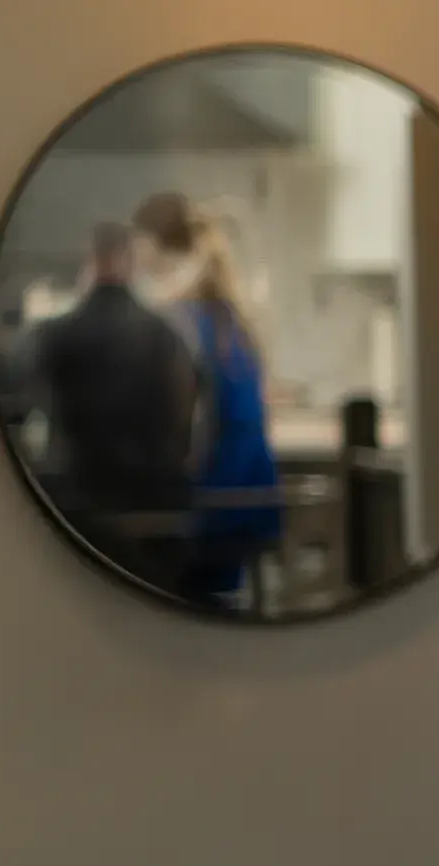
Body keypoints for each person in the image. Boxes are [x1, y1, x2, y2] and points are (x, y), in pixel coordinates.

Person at [130, 191, 283, 608]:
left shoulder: (180, 319)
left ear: (153, 245)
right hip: (250, 491)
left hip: (211, 496)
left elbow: (179, 419)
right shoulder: (230, 315)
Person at [32, 221, 199, 591]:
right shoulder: (166, 336)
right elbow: (186, 422)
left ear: (89, 264)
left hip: (80, 512)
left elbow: (30, 408)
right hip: (156, 511)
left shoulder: (54, 336)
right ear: (131, 264)